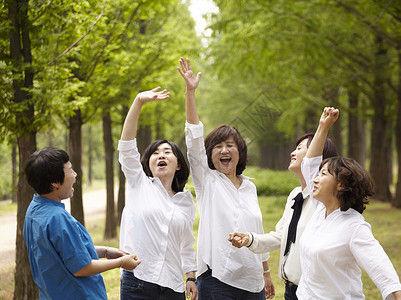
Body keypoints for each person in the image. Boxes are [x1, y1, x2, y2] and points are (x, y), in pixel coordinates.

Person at [178, 57, 275, 300]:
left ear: (239, 151)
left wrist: (266, 272)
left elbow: (258, 229)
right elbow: (193, 140)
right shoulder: (207, 181)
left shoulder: (249, 187)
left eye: (230, 145)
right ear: (209, 154)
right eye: (217, 146)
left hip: (253, 281)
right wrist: (190, 93)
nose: (224, 151)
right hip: (217, 279)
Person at [296, 106, 401, 299]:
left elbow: (380, 267)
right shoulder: (320, 209)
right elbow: (309, 164)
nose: (314, 178)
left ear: (340, 185)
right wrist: (323, 126)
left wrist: (399, 296)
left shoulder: (354, 226)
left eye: (323, 174)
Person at [229, 131, 337, 299]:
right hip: (291, 290)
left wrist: (324, 126)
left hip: (314, 291)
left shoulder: (325, 202)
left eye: (300, 148)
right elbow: (281, 236)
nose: (292, 153)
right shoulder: (295, 195)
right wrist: (250, 239)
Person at [23, 147, 141, 300]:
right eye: (70, 170)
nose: (75, 174)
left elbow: (68, 252)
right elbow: (82, 267)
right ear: (54, 183)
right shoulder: (57, 218)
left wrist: (106, 252)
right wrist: (121, 262)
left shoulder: (34, 210)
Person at [118, 87, 198, 300]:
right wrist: (138, 102)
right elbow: (126, 147)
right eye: (155, 153)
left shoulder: (186, 202)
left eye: (167, 152)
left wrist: (191, 277)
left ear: (178, 164)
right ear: (148, 163)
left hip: (173, 286)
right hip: (138, 281)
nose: (160, 155)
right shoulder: (139, 184)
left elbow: (186, 245)